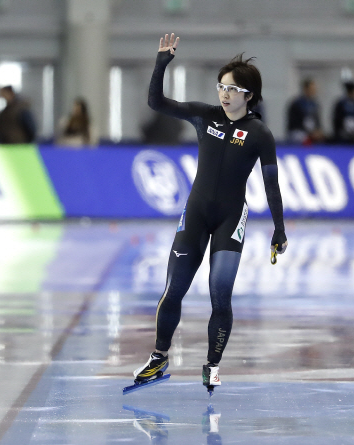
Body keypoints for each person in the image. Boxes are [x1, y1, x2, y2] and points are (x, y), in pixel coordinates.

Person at [133, 33, 288, 393]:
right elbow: (156, 102)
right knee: (173, 290)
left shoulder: (260, 134)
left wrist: (279, 229)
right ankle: (159, 357)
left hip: (231, 218)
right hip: (197, 211)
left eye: (231, 89)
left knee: (220, 294)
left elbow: (272, 185)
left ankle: (212, 365)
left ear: (248, 95)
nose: (224, 93)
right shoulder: (205, 116)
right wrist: (161, 64)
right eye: (221, 86)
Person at [286, 78, 324, 145]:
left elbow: (317, 121)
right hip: (299, 132)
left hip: (312, 132)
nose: (314, 90)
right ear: (306, 88)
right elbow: (293, 123)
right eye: (312, 88)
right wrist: (309, 132)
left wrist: (317, 130)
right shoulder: (297, 103)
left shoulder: (315, 104)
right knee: (303, 138)